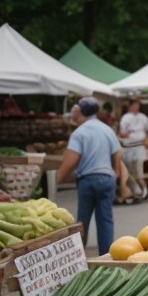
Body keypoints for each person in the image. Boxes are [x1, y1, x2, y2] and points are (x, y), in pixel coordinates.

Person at [57, 97, 123, 256]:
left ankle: (79, 255)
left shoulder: (79, 132)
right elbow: (118, 151)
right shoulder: (107, 129)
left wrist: (57, 180)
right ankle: (106, 256)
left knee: (82, 221)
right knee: (105, 219)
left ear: (80, 112)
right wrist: (117, 172)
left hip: (88, 180)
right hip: (107, 178)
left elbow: (71, 160)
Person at [118, 97, 148, 202]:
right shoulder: (125, 118)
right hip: (128, 146)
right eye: (134, 105)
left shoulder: (143, 117)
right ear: (130, 106)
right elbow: (122, 132)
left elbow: (147, 129)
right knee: (128, 171)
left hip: (139, 146)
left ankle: (143, 190)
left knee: (138, 170)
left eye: (137, 105)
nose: (136, 107)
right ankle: (135, 192)